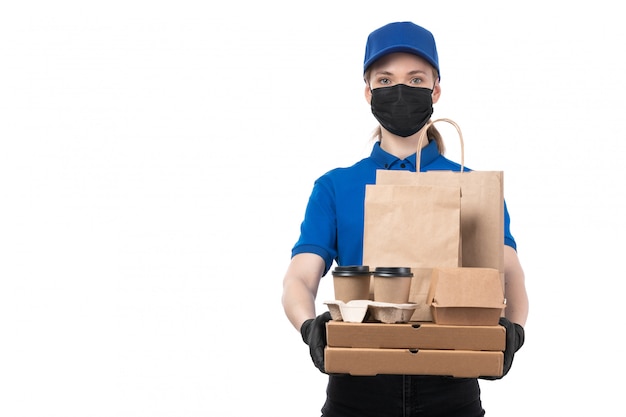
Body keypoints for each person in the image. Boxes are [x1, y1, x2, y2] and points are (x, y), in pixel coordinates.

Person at [281, 21, 529, 417]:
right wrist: (309, 326)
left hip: (451, 383)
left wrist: (512, 331)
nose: (401, 90)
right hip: (358, 384)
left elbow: (510, 271)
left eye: (416, 79)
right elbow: (299, 277)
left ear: (436, 90)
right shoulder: (336, 186)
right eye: (386, 78)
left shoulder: (471, 184)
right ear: (369, 92)